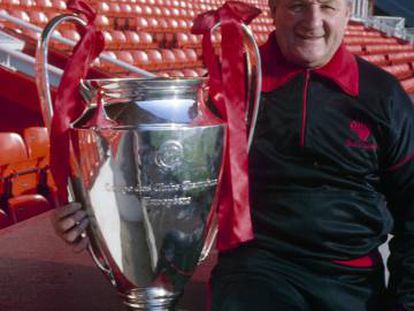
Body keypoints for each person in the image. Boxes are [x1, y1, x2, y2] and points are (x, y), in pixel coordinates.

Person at [52, 0, 414, 310]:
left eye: (328, 6)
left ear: (347, 12)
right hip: (258, 270)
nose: (313, 20)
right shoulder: (231, 89)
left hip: (352, 275)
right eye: (297, 5)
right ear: (273, 8)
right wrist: (93, 211)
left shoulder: (383, 96)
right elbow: (170, 187)